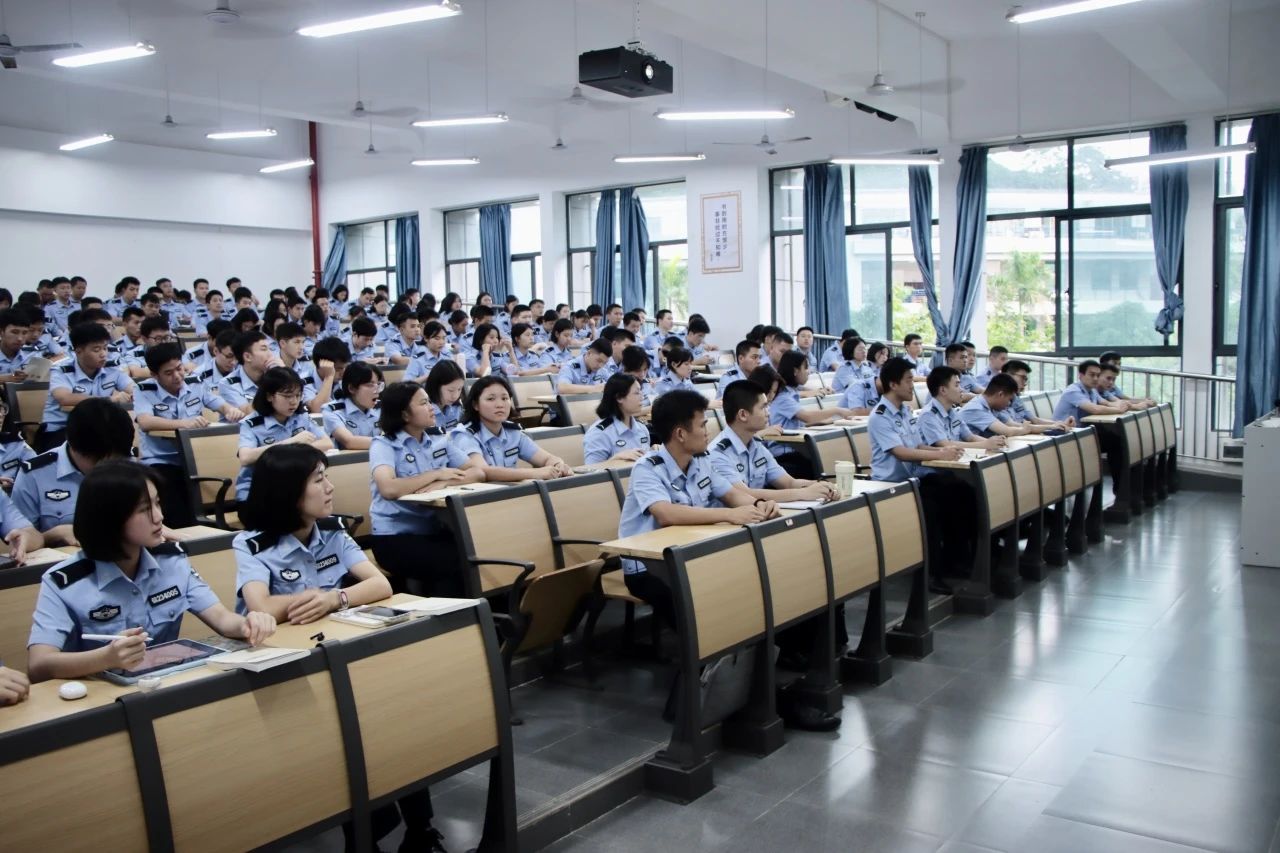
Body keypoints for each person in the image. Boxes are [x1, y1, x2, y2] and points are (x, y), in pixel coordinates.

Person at [26, 461, 276, 683]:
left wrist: (248, 624)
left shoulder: (171, 561)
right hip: (97, 698)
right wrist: (105, 658)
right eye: (145, 509)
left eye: (157, 503)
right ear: (109, 518)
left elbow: (221, 618)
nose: (159, 517)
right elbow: (39, 665)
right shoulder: (64, 582)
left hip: (164, 686)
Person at [617, 390, 775, 626]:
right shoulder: (647, 468)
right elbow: (666, 514)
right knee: (697, 605)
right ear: (681, 434)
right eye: (702, 425)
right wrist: (730, 515)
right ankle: (708, 648)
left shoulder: (701, 460)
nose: (707, 431)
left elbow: (731, 494)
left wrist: (759, 506)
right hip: (648, 566)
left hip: (692, 553)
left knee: (746, 580)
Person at [868, 358, 973, 591]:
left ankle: (957, 560)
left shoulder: (905, 411)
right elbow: (900, 452)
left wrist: (942, 452)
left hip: (913, 481)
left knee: (960, 490)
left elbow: (917, 445)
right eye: (908, 380)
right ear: (893, 384)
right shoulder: (880, 416)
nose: (912, 385)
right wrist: (941, 454)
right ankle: (931, 575)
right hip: (891, 486)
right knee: (931, 508)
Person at [369, 381, 481, 597]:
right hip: (394, 537)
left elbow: (477, 471)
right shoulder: (384, 445)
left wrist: (446, 482)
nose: (432, 408)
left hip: (434, 530)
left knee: (479, 551)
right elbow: (388, 488)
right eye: (423, 403)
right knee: (454, 562)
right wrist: (435, 474)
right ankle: (450, 615)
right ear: (404, 414)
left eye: (429, 402)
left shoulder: (438, 438)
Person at [134, 342, 241, 527]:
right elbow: (145, 422)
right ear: (154, 375)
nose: (177, 376)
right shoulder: (144, 390)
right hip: (163, 461)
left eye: (179, 368)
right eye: (169, 373)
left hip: (196, 459)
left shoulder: (195, 383)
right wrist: (184, 424)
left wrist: (230, 410)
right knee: (178, 509)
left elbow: (218, 403)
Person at [710, 380, 839, 504]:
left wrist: (821, 486)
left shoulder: (756, 446)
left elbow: (789, 483)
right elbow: (744, 495)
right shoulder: (718, 453)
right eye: (763, 407)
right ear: (743, 415)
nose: (768, 412)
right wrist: (803, 493)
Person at [235, 368, 332, 502]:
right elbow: (245, 457)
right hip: (256, 493)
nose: (294, 401)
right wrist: (292, 443)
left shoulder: (301, 417)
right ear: (269, 396)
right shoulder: (251, 424)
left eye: (298, 395)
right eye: (287, 396)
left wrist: (294, 449)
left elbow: (327, 443)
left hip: (293, 490)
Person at [451, 377, 572, 481]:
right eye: (491, 399)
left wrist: (558, 465)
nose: (500, 405)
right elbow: (483, 471)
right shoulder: (465, 435)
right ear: (475, 405)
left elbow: (546, 458)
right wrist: (535, 473)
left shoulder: (513, 432)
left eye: (504, 398)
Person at [39, 322, 133, 451]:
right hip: (60, 430)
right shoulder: (61, 370)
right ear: (79, 351)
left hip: (97, 429)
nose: (103, 354)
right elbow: (64, 398)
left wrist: (132, 395)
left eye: (105, 348)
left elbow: (134, 389)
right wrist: (108, 400)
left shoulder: (111, 368)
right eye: (96, 350)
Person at [768, 351, 856, 477]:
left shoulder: (791, 393)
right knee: (821, 465)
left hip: (795, 450)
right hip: (784, 455)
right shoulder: (783, 397)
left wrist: (828, 421)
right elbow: (807, 417)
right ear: (795, 371)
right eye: (805, 367)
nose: (808, 372)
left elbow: (799, 423)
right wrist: (837, 410)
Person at [918, 367, 1006, 453]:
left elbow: (970, 437)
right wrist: (985, 444)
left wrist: (995, 443)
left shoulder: (952, 411)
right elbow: (945, 444)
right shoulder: (928, 415)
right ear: (943, 390)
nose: (962, 389)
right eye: (957, 385)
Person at [584, 374, 651, 465]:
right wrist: (615, 459)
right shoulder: (599, 433)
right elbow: (590, 471)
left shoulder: (642, 428)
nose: (642, 397)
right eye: (636, 393)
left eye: (641, 391)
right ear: (619, 397)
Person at [322, 361, 383, 450]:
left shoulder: (382, 408)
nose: (377, 390)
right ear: (352, 388)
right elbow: (349, 441)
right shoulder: (332, 411)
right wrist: (388, 442)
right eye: (370, 385)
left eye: (378, 384)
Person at [999, 360, 1074, 431]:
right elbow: (1014, 426)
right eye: (1022, 378)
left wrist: (1061, 424)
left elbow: (1034, 420)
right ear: (1007, 376)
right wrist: (1052, 426)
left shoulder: (1016, 398)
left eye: (1026, 379)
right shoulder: (998, 399)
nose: (1025, 383)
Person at [218, 331, 280, 415]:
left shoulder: (274, 376)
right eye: (264, 349)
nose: (270, 354)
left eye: (270, 349)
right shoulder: (227, 384)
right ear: (247, 357)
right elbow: (247, 412)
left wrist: (284, 373)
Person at [959, 373, 1035, 438]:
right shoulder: (976, 409)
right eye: (1009, 399)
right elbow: (1007, 431)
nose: (1009, 403)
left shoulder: (993, 406)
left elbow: (1012, 425)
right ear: (1001, 394)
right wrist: (1024, 429)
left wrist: (1028, 427)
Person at [425, 360, 466, 430]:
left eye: (459, 389)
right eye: (451, 390)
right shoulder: (425, 411)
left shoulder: (457, 408)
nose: (455, 396)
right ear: (436, 386)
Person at [0, 307, 32, 384]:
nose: (20, 338)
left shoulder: (32, 357)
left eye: (24, 333)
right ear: (1, 332)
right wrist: (6, 378)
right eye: (14, 332)